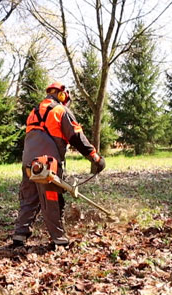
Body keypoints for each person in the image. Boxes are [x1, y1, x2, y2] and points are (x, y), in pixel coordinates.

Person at [11, 82, 106, 249]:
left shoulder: (33, 112)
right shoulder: (61, 111)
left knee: (28, 199)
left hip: (28, 163)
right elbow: (77, 138)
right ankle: (59, 240)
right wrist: (96, 158)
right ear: (62, 95)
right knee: (52, 201)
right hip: (48, 163)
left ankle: (19, 235)